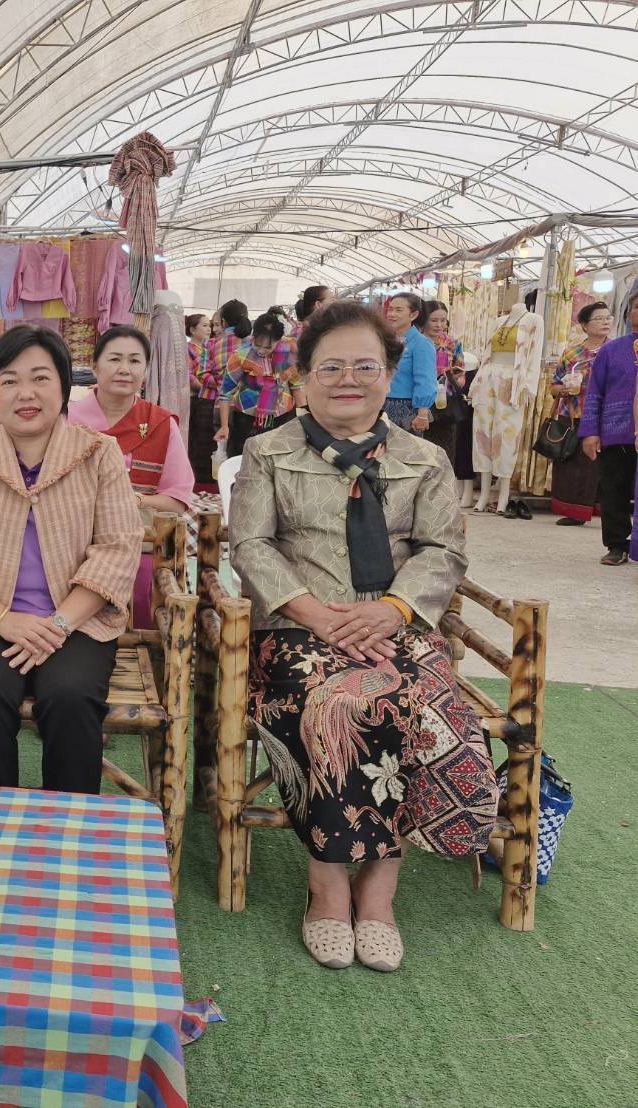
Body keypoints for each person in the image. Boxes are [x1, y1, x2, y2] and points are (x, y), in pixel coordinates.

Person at [231, 299, 496, 972]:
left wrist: (394, 611)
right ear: (303, 376)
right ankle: (327, 886)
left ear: (388, 373)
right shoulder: (267, 451)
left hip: (395, 627)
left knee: (426, 711)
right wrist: (321, 617)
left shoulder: (425, 458)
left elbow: (442, 552)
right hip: (296, 631)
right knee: (336, 706)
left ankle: (377, 893)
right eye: (331, 367)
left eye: (364, 366)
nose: (347, 379)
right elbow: (251, 547)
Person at [0, 324, 140, 794]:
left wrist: (58, 624)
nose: (26, 393)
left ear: (64, 387)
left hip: (77, 621)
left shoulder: (99, 454)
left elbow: (118, 548)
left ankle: (68, 829)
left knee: (70, 696)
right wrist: (6, 621)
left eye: (40, 378)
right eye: (9, 380)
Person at [69, 325, 193, 625]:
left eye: (135, 361)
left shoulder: (161, 424)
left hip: (139, 537)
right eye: (114, 359)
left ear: (146, 371)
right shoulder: (67, 421)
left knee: (142, 588)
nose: (125, 369)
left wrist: (134, 500)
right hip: (70, 534)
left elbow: (177, 500)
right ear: (95, 367)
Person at [578, 293, 638, 565]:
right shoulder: (611, 351)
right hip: (616, 432)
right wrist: (590, 431)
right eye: (637, 307)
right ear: (628, 314)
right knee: (614, 489)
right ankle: (617, 544)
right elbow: (594, 392)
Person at [549, 302, 612, 527]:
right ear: (584, 325)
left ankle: (601, 508)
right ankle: (573, 510)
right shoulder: (572, 353)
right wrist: (563, 389)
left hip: (605, 416)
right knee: (571, 464)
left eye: (608, 317)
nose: (605, 322)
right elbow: (554, 386)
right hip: (573, 414)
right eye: (599, 318)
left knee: (600, 465)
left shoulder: (615, 350)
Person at [216, 311, 302, 457]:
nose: (261, 350)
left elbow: (297, 385)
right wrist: (224, 426)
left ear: (278, 340)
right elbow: (225, 394)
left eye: (268, 347)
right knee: (248, 458)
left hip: (283, 415)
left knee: (278, 459)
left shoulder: (290, 351)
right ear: (253, 336)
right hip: (247, 418)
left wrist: (302, 418)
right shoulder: (240, 355)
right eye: (257, 344)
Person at [418, 300, 471, 479]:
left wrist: (458, 378)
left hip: (444, 405)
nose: (439, 325)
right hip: (418, 404)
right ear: (423, 319)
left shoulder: (452, 344)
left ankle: (442, 492)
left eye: (443, 320)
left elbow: (460, 372)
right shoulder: (414, 341)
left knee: (444, 452)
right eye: (434, 320)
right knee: (419, 450)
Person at [382, 292, 436, 434]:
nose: (392, 314)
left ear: (413, 315)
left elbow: (426, 380)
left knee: (405, 453)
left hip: (405, 407)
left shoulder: (421, 343)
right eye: (390, 309)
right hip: (380, 403)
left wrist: (422, 413)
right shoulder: (385, 340)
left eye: (398, 310)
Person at [185, 312, 217, 485]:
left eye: (209, 325)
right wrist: (207, 386)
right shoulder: (188, 349)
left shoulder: (209, 346)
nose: (208, 329)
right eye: (204, 325)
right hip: (195, 399)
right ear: (192, 329)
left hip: (207, 396)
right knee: (196, 440)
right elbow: (188, 376)